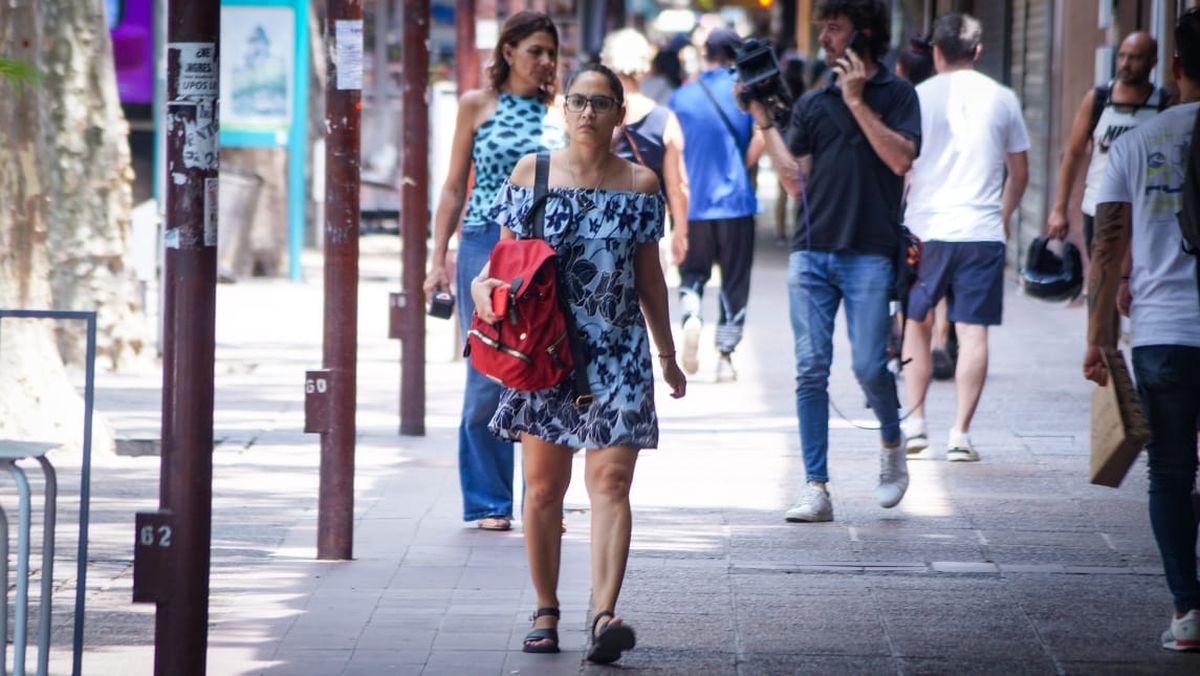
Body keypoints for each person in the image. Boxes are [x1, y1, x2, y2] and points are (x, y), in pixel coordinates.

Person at [474, 63, 687, 663]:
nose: (588, 112)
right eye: (578, 101)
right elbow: (501, 264)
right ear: (563, 111)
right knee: (543, 489)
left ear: (621, 113)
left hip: (619, 352)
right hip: (546, 352)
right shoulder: (531, 173)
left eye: (601, 102)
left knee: (611, 482)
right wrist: (478, 290)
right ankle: (547, 608)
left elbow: (650, 275)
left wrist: (666, 354)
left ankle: (603, 613)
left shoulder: (642, 184)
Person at [750, 0, 920, 522]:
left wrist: (857, 102)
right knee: (809, 369)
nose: (824, 37)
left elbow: (900, 159)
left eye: (834, 27)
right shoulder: (813, 103)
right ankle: (815, 486)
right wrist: (764, 124)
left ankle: (892, 444)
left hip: (869, 253)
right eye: (822, 26)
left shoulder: (897, 96)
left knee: (870, 366)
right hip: (812, 254)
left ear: (862, 33)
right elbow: (793, 182)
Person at [1085, 7, 1200, 652]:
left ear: (1175, 68)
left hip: (1163, 334)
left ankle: (1189, 610)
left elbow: (1106, 251)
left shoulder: (1135, 143)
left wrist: (1097, 340)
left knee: (1170, 473)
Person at [423, 11, 562, 532]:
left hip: (547, 247)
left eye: (551, 52)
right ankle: (488, 501)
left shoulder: (563, 110)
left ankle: (543, 499)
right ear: (508, 52)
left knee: (545, 366)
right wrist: (438, 257)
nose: (545, 62)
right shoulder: (477, 105)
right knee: (487, 368)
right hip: (484, 241)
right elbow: (454, 185)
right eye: (535, 51)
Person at [899, 13, 1030, 463]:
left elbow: (902, 166)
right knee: (973, 333)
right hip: (981, 232)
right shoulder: (1003, 98)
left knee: (916, 324)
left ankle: (915, 424)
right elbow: (1021, 173)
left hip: (925, 230)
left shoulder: (915, 98)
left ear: (935, 52)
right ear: (977, 51)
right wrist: (1003, 215)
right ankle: (960, 434)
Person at [669, 27, 765, 381]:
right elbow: (761, 136)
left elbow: (672, 151)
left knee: (692, 272)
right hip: (736, 204)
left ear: (706, 53)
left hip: (693, 205)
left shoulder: (682, 97)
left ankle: (692, 315)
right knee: (734, 280)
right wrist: (742, 164)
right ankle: (725, 356)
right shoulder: (743, 92)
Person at [1047, 31, 1164, 254]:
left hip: (1145, 212)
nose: (1126, 64)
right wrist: (1059, 208)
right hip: (1099, 207)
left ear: (1153, 62)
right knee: (1103, 279)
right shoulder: (1098, 99)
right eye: (1122, 56)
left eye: (1135, 58)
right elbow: (1073, 154)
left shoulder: (1163, 103)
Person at [894, 33, 958, 380]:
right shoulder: (944, 102)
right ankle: (939, 343)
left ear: (902, 69)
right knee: (942, 279)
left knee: (908, 278)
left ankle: (908, 347)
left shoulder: (907, 104)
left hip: (917, 205)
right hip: (950, 204)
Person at [601, 28, 690, 267]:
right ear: (645, 67)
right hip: (650, 226)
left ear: (607, 63)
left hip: (601, 223)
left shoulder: (593, 114)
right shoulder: (665, 119)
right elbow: (677, 185)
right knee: (651, 300)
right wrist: (680, 231)